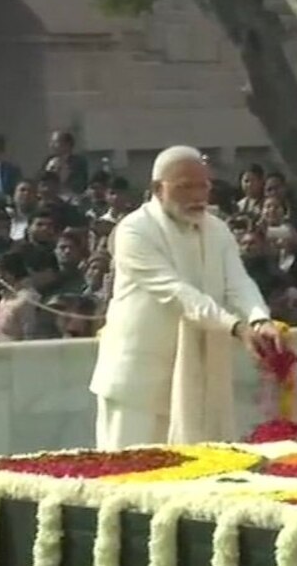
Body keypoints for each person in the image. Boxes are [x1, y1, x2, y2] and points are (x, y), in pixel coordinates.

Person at [89, 145, 281, 450]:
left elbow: (238, 282)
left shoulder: (217, 230)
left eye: (203, 185)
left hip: (199, 381)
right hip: (139, 384)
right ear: (156, 188)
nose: (197, 195)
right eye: (185, 187)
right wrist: (236, 327)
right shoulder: (134, 231)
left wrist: (259, 319)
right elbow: (176, 292)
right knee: (129, 479)